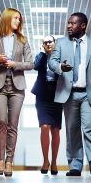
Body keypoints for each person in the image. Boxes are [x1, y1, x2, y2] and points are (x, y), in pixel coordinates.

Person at [48, 12, 91, 176]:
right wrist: (60, 67)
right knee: (72, 130)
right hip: (69, 93)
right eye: (68, 23)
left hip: (90, 93)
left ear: (83, 25)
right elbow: (52, 62)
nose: (69, 26)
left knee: (90, 128)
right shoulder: (61, 43)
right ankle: (75, 165)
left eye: (73, 23)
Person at [0, 8, 33, 177]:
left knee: (13, 125)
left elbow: (30, 64)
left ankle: (9, 161)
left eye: (19, 19)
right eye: (15, 18)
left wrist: (14, 64)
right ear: (6, 19)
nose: (18, 21)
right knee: (1, 122)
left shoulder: (22, 40)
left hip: (17, 86)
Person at [31, 35, 63, 175]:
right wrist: (42, 53)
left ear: (55, 43)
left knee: (55, 130)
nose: (48, 44)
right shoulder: (41, 56)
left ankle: (54, 162)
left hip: (57, 95)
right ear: (43, 45)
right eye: (45, 42)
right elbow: (36, 66)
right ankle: (45, 161)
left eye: (50, 41)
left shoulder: (60, 56)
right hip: (42, 96)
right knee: (44, 127)